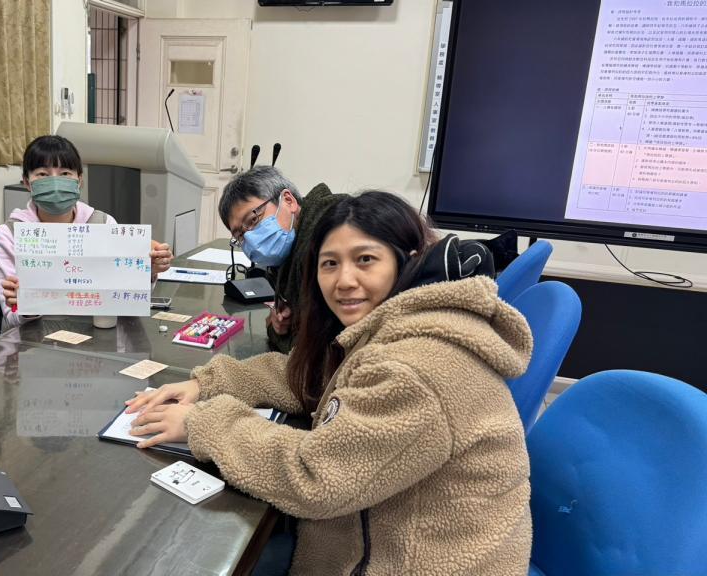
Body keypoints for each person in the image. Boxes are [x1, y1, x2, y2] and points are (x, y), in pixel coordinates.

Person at [126, 191, 534, 575]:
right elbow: (312, 377)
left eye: (365, 260)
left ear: (406, 261)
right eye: (330, 264)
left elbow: (316, 479)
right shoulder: (397, 325)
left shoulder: (415, 368)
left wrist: (203, 422)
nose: (344, 281)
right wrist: (210, 383)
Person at [0, 135, 174, 328]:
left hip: (97, 332)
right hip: (34, 339)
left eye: (65, 173)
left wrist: (148, 270)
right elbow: (11, 319)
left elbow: (126, 299)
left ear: (79, 181)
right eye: (43, 174)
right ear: (27, 183)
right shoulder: (9, 235)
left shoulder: (103, 225)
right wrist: (26, 305)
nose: (55, 182)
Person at [218, 166, 348, 353]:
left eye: (253, 220)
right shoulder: (290, 252)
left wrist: (275, 331)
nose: (250, 239)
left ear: (288, 201)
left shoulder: (326, 240)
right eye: (240, 234)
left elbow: (312, 351)